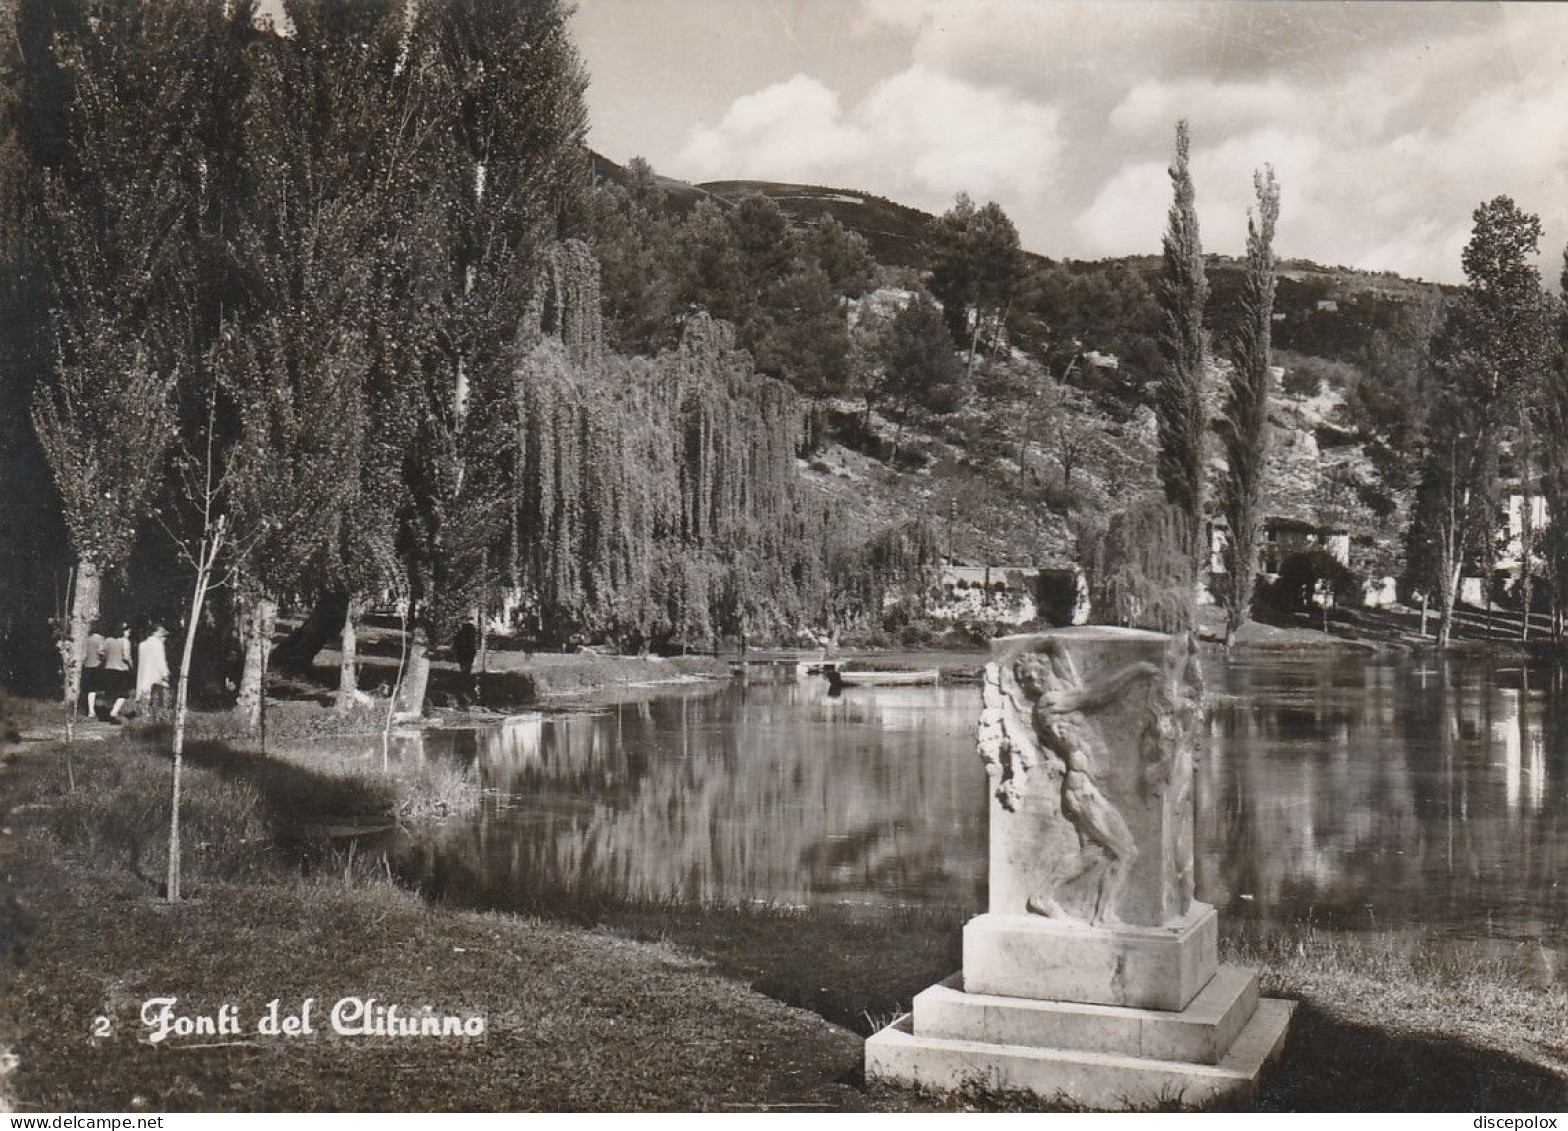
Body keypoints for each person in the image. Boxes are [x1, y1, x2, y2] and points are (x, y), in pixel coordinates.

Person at [101, 622, 134, 723]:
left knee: (111, 693)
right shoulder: (125, 641)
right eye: (128, 631)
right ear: (123, 631)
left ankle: (107, 712)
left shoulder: (108, 640)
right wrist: (132, 666)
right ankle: (114, 712)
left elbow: (101, 652)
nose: (129, 633)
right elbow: (126, 657)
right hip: (121, 670)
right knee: (123, 694)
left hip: (109, 669)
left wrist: (106, 660)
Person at [136, 624, 171, 715]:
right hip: (156, 672)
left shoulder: (143, 644)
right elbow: (161, 659)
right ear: (155, 632)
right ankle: (159, 713)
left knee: (145, 690)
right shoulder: (158, 644)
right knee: (160, 693)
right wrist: (165, 673)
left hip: (145, 671)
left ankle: (144, 712)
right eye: (161, 632)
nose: (162, 634)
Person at [81, 620, 106, 718]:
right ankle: (92, 711)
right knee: (94, 689)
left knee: (89, 689)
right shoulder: (100, 639)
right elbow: (101, 652)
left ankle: (90, 709)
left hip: (87, 665)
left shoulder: (86, 639)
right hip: (97, 665)